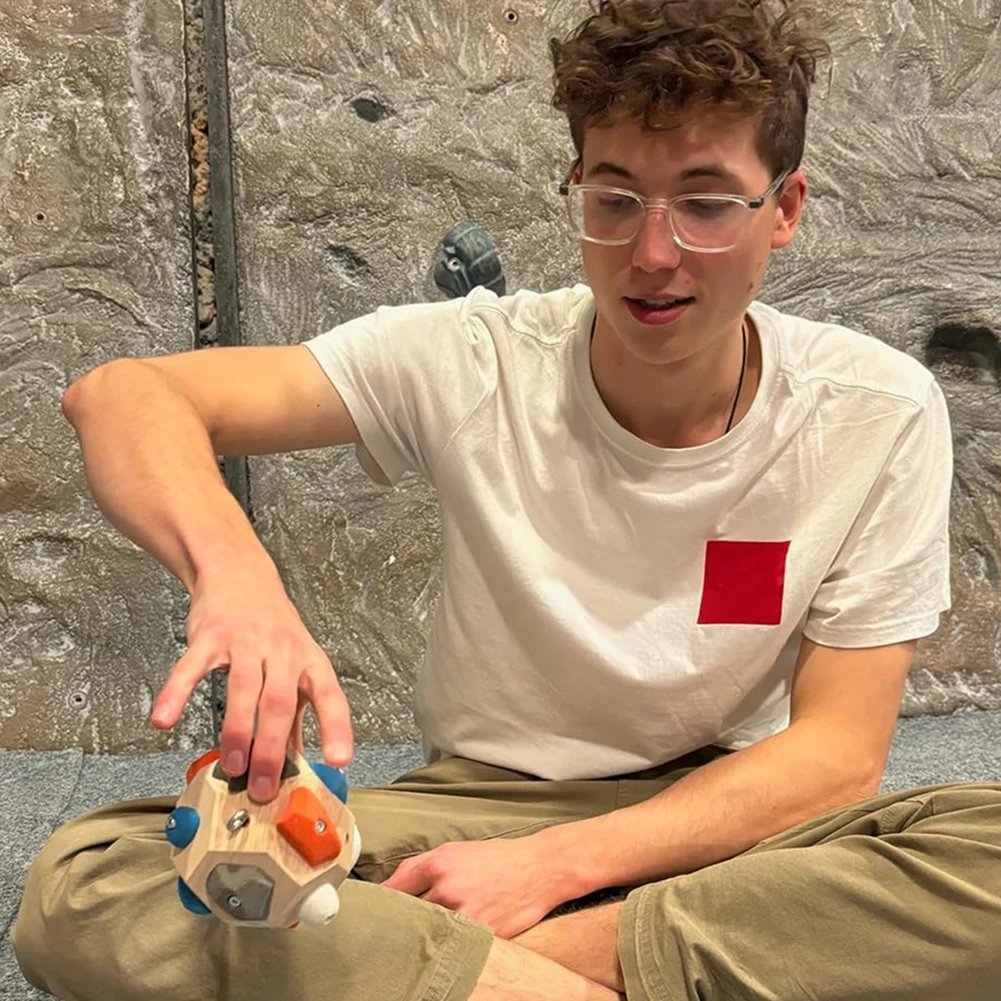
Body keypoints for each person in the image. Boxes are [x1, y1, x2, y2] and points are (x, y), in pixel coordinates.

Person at [12, 1, 1001, 999]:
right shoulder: (474, 358)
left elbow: (834, 755)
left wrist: (555, 870)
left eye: (705, 203)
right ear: (577, 187)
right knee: (89, 885)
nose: (652, 253)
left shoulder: (872, 408)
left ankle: (460, 971)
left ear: (783, 208)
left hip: (728, 815)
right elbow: (124, 395)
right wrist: (235, 576)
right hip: (482, 805)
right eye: (615, 199)